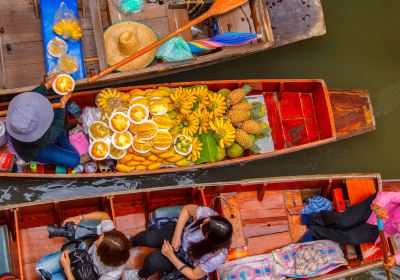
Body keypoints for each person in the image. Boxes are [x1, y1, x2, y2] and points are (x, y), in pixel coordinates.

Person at [127, 204, 233, 280]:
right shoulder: (210, 216)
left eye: (203, 231)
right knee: (147, 238)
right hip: (181, 234)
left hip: (185, 260)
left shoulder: (216, 257)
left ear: (211, 241)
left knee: (152, 260)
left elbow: (194, 275)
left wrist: (171, 256)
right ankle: (128, 243)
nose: (200, 225)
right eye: (204, 222)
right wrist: (177, 236)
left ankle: (139, 276)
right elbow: (187, 209)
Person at [301, 191, 400, 269]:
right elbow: (390, 196)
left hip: (381, 229)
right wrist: (379, 206)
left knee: (351, 238)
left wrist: (395, 259)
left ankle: (314, 231)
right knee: (343, 221)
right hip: (375, 207)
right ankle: (315, 217)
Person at [6, 76, 80, 168]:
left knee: (58, 102)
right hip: (36, 150)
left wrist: (46, 86)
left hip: (32, 134)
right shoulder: (41, 138)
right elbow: (56, 127)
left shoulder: (16, 113)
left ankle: (60, 135)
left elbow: (30, 97)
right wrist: (62, 106)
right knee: (75, 160)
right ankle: (63, 135)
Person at [35, 211, 131, 280]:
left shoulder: (114, 273)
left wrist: (67, 268)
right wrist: (80, 217)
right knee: (39, 270)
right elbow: (104, 215)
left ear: (102, 254)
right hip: (82, 253)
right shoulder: (111, 236)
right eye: (101, 236)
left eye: (99, 243)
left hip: (84, 274)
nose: (98, 238)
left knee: (45, 275)